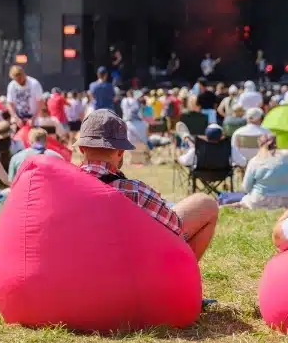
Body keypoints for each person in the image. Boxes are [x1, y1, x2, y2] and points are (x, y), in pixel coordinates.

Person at [77, 109, 218, 261]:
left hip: (79, 269)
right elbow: (176, 227)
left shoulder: (62, 189)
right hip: (128, 271)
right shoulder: (136, 192)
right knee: (206, 203)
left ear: (81, 149)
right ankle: (183, 278)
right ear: (120, 152)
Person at [230, 134, 288, 210]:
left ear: (259, 144)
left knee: (244, 200)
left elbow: (246, 187)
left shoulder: (255, 161)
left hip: (260, 201)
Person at [178, 124, 247, 170]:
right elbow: (243, 162)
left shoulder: (198, 148)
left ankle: (186, 138)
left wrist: (179, 158)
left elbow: (185, 161)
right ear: (221, 136)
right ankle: (187, 138)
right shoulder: (229, 148)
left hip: (201, 173)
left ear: (206, 136)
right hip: (223, 174)